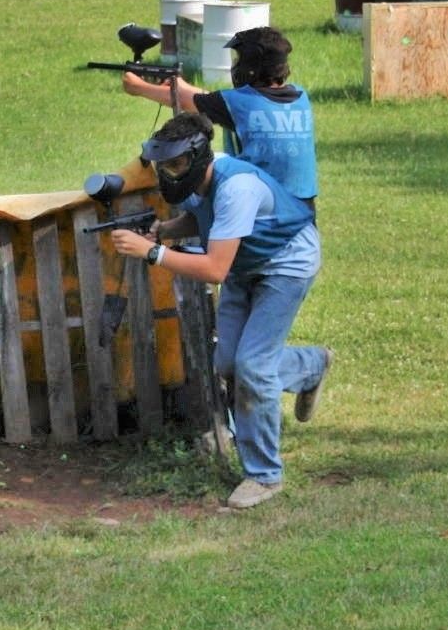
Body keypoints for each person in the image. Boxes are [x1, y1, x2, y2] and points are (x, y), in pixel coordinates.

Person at [109, 112, 331, 510]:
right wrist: (164, 231)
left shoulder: (237, 188)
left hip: (286, 265)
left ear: (197, 158)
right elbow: (201, 217)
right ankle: (311, 366)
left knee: (253, 366)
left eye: (175, 165)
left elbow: (214, 269)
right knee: (228, 362)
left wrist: (153, 252)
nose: (169, 173)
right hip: (246, 265)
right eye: (164, 166)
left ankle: (264, 476)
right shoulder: (199, 183)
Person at [122, 26, 318, 209]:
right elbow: (222, 104)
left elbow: (189, 100)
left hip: (259, 207)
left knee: (187, 182)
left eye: (239, 59)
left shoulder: (238, 104)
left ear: (251, 66)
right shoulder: (300, 97)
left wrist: (138, 86)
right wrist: (182, 85)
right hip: (302, 208)